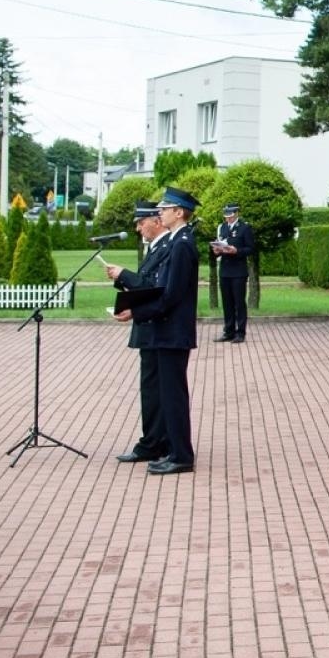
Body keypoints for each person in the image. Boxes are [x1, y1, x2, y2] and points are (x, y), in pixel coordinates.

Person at [116, 186, 201, 475]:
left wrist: (136, 312)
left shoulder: (182, 244)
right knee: (164, 393)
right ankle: (168, 447)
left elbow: (170, 295)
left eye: (164, 209)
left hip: (172, 332)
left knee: (173, 395)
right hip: (166, 331)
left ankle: (181, 455)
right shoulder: (178, 241)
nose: (159, 212)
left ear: (179, 213)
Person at [106, 200, 172, 464]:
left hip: (159, 328)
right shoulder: (155, 247)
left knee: (157, 389)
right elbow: (145, 288)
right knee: (150, 389)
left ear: (156, 221)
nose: (138, 229)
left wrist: (124, 275)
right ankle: (152, 440)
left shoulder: (168, 247)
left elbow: (153, 287)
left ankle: (157, 442)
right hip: (148, 326)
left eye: (141, 223)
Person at [212, 202, 255, 343]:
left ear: (236, 213)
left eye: (230, 216)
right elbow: (219, 244)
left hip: (238, 270)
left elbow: (250, 248)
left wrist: (237, 251)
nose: (228, 219)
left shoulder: (244, 228)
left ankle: (240, 332)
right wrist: (217, 251)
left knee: (238, 302)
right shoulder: (222, 227)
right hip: (225, 270)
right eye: (226, 216)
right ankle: (228, 331)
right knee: (227, 302)